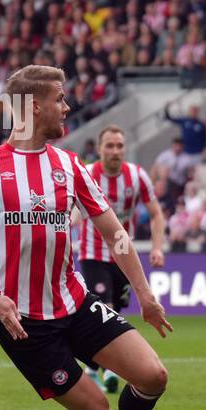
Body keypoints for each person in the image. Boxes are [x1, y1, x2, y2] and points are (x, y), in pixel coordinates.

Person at [0, 65, 174, 410]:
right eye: (60, 98)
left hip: (72, 301)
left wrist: (146, 296)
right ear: (34, 106)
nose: (67, 107)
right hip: (22, 320)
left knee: (153, 375)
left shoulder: (69, 165)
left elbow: (115, 234)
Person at [75, 125, 167, 392]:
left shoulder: (137, 177)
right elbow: (74, 208)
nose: (115, 151)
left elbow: (157, 214)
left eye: (119, 146)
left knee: (115, 311)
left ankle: (93, 366)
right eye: (109, 146)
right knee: (106, 305)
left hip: (123, 257)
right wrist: (70, 223)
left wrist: (157, 247)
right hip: (93, 253)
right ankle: (110, 371)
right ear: (100, 148)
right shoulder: (88, 174)